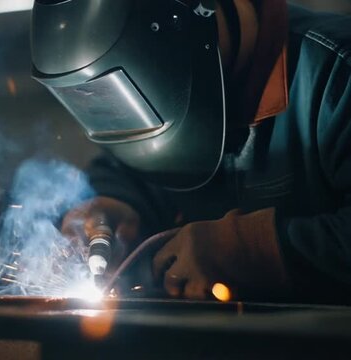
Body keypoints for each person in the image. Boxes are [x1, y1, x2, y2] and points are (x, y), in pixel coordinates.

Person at [31, 0, 351, 302]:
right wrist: (118, 205)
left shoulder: (336, 72)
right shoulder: (157, 89)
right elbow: (132, 168)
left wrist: (250, 248)